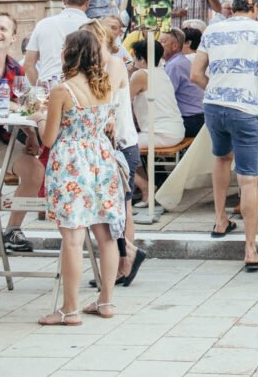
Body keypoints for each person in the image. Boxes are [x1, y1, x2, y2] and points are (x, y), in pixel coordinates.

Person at [39, 30, 124, 325]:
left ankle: (70, 309)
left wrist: (40, 120)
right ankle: (106, 302)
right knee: (106, 236)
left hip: (72, 163)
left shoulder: (63, 90)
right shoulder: (105, 86)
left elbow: (49, 139)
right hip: (101, 159)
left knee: (73, 239)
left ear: (69, 53)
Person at [190, 0, 258, 271]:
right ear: (256, 8)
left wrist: (217, 89)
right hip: (246, 107)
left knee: (221, 159)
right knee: (249, 179)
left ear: (233, 7)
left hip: (214, 105)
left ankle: (220, 219)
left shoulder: (213, 30)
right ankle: (250, 249)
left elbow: (196, 74)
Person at [0, 13, 43, 258]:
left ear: (13, 37)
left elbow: (26, 104)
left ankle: (13, 230)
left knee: (34, 171)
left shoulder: (16, 67)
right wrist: (12, 107)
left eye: (3, 28)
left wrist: (32, 136)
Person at [81, 20, 144, 288]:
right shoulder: (92, 68)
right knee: (110, 207)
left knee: (123, 206)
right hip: (104, 145)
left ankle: (126, 261)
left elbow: (102, 99)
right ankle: (123, 257)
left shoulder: (115, 64)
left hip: (120, 145)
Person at [130, 39, 186, 207]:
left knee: (115, 152)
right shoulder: (162, 72)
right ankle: (146, 188)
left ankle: (146, 187)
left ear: (141, 59)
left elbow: (123, 100)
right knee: (129, 146)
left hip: (160, 133)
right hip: (175, 130)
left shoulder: (140, 75)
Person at [24, 0, 90, 85]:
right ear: (88, 1)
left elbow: (28, 64)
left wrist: (40, 89)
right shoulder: (94, 27)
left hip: (49, 86)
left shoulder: (43, 24)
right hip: (81, 90)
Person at [160, 28, 205, 138]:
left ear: (174, 46)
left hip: (189, 120)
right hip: (197, 118)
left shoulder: (175, 65)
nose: (158, 45)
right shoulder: (180, 61)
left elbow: (165, 96)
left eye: (162, 41)